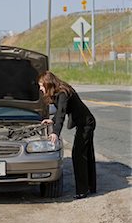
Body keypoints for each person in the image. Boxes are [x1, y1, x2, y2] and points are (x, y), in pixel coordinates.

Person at [38, 71, 96, 199]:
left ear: (48, 84)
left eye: (42, 86)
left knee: (78, 155)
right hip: (85, 122)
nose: (41, 89)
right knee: (87, 154)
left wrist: (55, 132)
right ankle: (91, 187)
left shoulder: (63, 93)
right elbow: (59, 112)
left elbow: (62, 113)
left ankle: (82, 191)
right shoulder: (60, 91)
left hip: (86, 124)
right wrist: (52, 120)